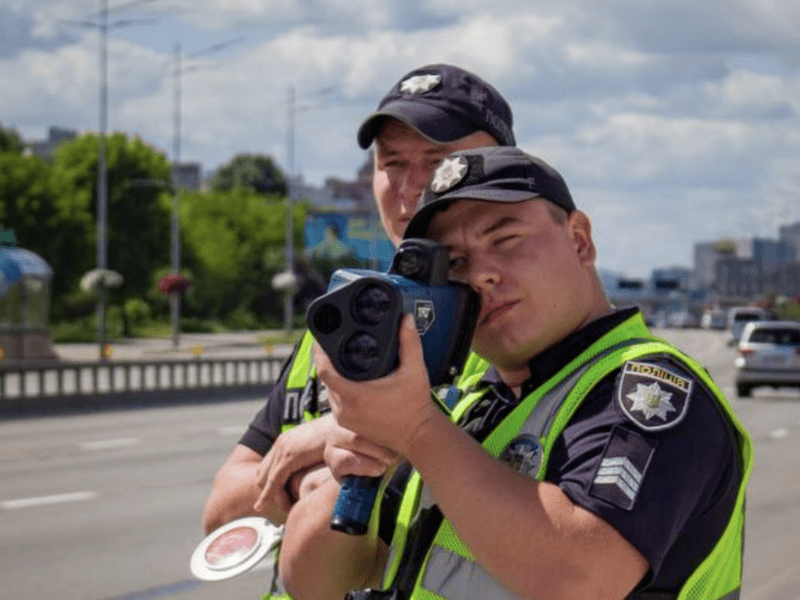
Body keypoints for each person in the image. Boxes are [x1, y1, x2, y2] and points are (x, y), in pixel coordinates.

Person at [278, 146, 754, 600]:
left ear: (579, 240)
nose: (481, 275)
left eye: (504, 240)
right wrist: (355, 469)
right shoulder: (462, 408)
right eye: (456, 263)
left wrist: (417, 431)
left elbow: (580, 580)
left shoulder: (650, 390)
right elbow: (313, 584)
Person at [200, 64, 515, 592]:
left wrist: (366, 430)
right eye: (392, 162)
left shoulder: (509, 331)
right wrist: (317, 450)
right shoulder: (345, 316)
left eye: (438, 162)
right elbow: (220, 517)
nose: (412, 185)